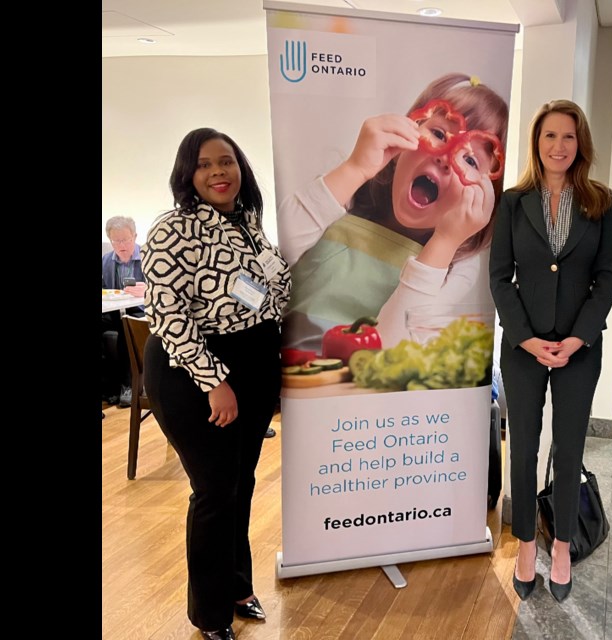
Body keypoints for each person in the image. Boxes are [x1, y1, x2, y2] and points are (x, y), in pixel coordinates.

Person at [142, 128, 291, 640]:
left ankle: (236, 585)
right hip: (195, 373)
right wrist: (213, 381)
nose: (218, 172)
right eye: (205, 165)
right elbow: (168, 315)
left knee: (239, 483)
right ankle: (209, 615)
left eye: (226, 162)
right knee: (213, 490)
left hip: (252, 362)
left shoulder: (247, 223)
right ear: (188, 174)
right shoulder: (173, 230)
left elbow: (270, 291)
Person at [490, 100, 612, 603]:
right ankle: (526, 544)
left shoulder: (601, 201)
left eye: (568, 137)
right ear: (536, 143)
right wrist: (524, 336)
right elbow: (501, 276)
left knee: (569, 451)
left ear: (579, 143)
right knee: (523, 448)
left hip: (578, 349)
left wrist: (577, 338)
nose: (558, 146)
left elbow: (608, 276)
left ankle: (562, 546)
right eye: (549, 136)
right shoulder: (513, 202)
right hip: (523, 347)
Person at [279, 72, 508, 352]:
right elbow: (274, 257)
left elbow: (393, 347)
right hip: (287, 379)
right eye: (438, 134)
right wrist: (354, 169)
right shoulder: (346, 195)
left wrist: (445, 242)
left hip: (361, 389)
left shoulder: (460, 263)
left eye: (470, 159)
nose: (446, 157)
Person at [101, 216, 146, 407]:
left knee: (124, 323)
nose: (122, 245)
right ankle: (107, 387)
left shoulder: (148, 256)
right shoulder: (106, 260)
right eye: (116, 241)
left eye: (126, 239)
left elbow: (166, 287)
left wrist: (148, 289)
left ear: (134, 236)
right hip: (114, 309)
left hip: (140, 310)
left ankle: (128, 385)